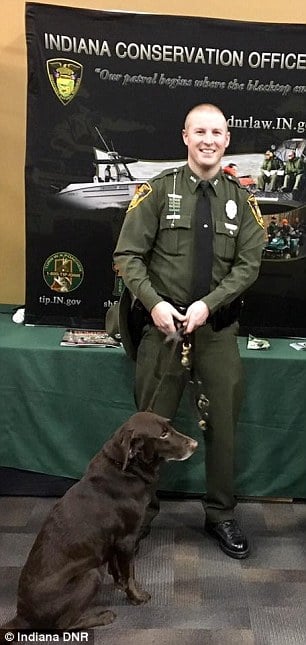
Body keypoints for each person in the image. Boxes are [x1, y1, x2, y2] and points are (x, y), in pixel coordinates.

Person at [113, 103, 264, 559]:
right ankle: (139, 514)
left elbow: (248, 265)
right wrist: (155, 304)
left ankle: (220, 514)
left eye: (217, 132)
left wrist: (208, 304)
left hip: (215, 331)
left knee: (222, 425)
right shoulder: (157, 192)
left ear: (227, 140)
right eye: (200, 131)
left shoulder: (242, 201)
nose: (208, 140)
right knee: (150, 429)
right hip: (163, 331)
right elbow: (128, 256)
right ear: (184, 137)